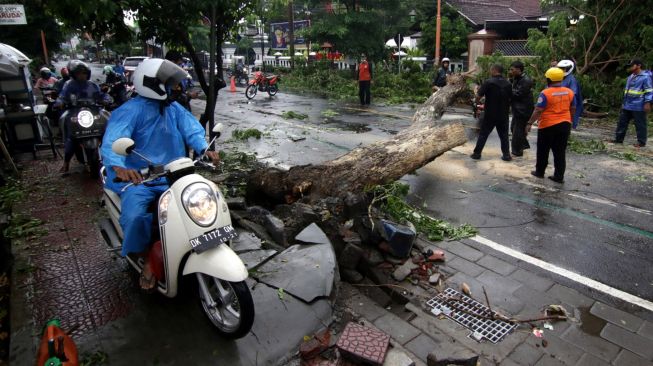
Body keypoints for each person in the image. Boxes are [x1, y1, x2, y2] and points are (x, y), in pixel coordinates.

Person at [101, 58, 220, 291]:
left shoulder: (173, 108)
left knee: (205, 200)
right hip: (141, 180)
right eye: (167, 84)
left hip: (175, 175)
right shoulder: (129, 111)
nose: (173, 88)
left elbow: (193, 130)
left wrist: (205, 149)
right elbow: (113, 141)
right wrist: (120, 167)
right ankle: (145, 255)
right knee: (135, 217)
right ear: (151, 83)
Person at [54, 60, 111, 173]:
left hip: (93, 110)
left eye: (84, 73)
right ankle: (66, 163)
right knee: (69, 132)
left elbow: (101, 95)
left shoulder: (93, 85)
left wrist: (106, 99)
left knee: (108, 120)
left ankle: (112, 156)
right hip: (75, 112)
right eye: (79, 73)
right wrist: (59, 102)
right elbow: (62, 96)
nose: (82, 75)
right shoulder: (69, 85)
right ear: (73, 74)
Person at [526, 67, 576, 183]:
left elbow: (538, 110)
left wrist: (529, 123)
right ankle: (559, 176)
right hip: (564, 125)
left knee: (543, 150)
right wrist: (570, 119)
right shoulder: (569, 92)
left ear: (548, 79)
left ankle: (540, 172)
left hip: (548, 125)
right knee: (560, 152)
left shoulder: (545, 93)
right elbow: (573, 108)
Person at [471, 64, 513, 161]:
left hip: (490, 113)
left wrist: (476, 105)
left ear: (494, 70)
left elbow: (478, 96)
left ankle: (477, 154)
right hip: (503, 114)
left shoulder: (488, 82)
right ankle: (506, 155)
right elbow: (511, 99)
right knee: (504, 136)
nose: (490, 71)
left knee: (483, 134)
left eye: (491, 70)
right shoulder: (508, 84)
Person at [612, 59, 652, 148]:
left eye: (632, 65)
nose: (630, 67)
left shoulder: (645, 77)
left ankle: (641, 142)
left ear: (638, 65)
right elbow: (627, 91)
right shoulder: (631, 76)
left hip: (638, 105)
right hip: (627, 104)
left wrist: (648, 102)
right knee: (622, 122)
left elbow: (649, 91)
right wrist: (623, 102)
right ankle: (618, 139)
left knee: (640, 124)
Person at [508, 61, 534, 156]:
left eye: (512, 69)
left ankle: (517, 151)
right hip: (518, 109)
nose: (510, 71)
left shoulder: (526, 80)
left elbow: (518, 94)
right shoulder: (517, 78)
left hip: (523, 110)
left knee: (517, 131)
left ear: (518, 70)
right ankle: (523, 145)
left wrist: (507, 90)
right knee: (513, 128)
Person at [557, 60, 583, 129]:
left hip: (570, 105)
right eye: (561, 68)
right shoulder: (560, 77)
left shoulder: (571, 79)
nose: (562, 70)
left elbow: (573, 95)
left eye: (564, 68)